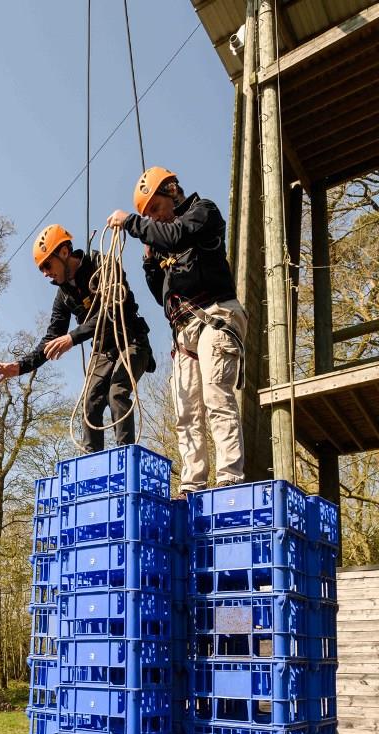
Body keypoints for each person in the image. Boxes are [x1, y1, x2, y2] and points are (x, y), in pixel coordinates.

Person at [107, 167, 248, 495]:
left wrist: (133, 223)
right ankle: (192, 485)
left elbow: (178, 235)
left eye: (155, 209)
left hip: (216, 314)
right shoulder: (163, 238)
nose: (154, 219)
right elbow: (161, 296)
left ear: (172, 191)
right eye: (148, 215)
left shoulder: (203, 213)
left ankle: (229, 478)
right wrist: (149, 263)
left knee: (216, 397)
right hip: (184, 330)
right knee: (186, 410)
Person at [0, 223, 154, 452]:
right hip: (103, 350)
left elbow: (112, 311)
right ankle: (92, 466)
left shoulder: (103, 266)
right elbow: (52, 337)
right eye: (41, 269)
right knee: (90, 402)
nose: (46, 273)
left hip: (131, 340)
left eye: (47, 264)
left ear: (64, 252)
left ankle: (124, 459)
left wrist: (72, 338)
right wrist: (20, 366)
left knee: (117, 391)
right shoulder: (63, 295)